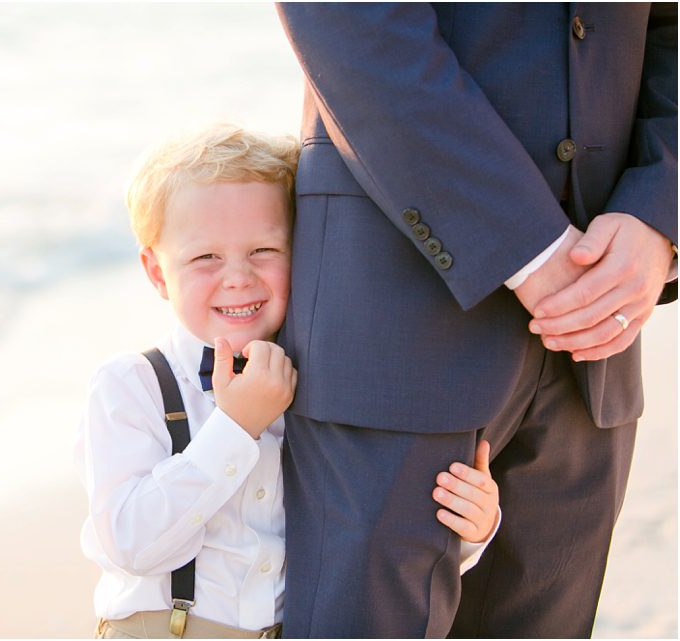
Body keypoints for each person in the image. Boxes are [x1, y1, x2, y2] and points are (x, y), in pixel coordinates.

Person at [274, 3, 677, 638]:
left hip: (598, 327)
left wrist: (660, 210)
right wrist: (528, 245)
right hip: (399, 310)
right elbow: (353, 23)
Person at [75, 124, 502, 639]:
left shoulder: (328, 384)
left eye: (264, 251)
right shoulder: (132, 386)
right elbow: (132, 544)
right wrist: (235, 428)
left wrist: (470, 534)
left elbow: (366, 545)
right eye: (204, 257)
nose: (237, 277)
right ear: (158, 272)